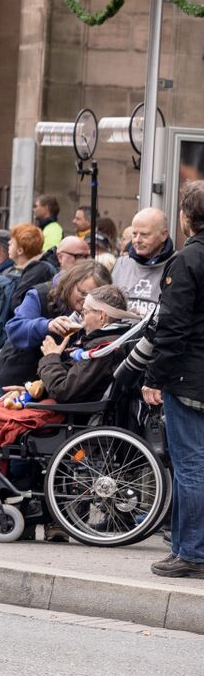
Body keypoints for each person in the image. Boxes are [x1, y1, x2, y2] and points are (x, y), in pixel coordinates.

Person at [0, 286, 139, 524]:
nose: (81, 318)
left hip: (62, 414)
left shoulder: (104, 347)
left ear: (101, 316)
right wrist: (31, 388)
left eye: (85, 312)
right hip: (60, 407)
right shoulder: (104, 342)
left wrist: (50, 356)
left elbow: (65, 390)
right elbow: (70, 384)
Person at [140, 179, 204, 578]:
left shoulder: (187, 259)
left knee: (190, 465)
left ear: (186, 217)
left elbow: (172, 327)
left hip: (190, 375)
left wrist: (154, 377)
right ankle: (184, 546)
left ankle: (192, 551)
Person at [0, 258, 109, 395]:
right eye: (82, 293)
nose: (86, 300)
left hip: (54, 385)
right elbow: (15, 329)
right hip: (18, 377)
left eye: (93, 297)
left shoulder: (100, 313)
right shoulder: (40, 294)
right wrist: (47, 325)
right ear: (70, 284)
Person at [112, 207, 174, 312]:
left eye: (144, 235)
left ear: (163, 235)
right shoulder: (121, 264)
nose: (137, 240)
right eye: (134, 234)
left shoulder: (177, 265)